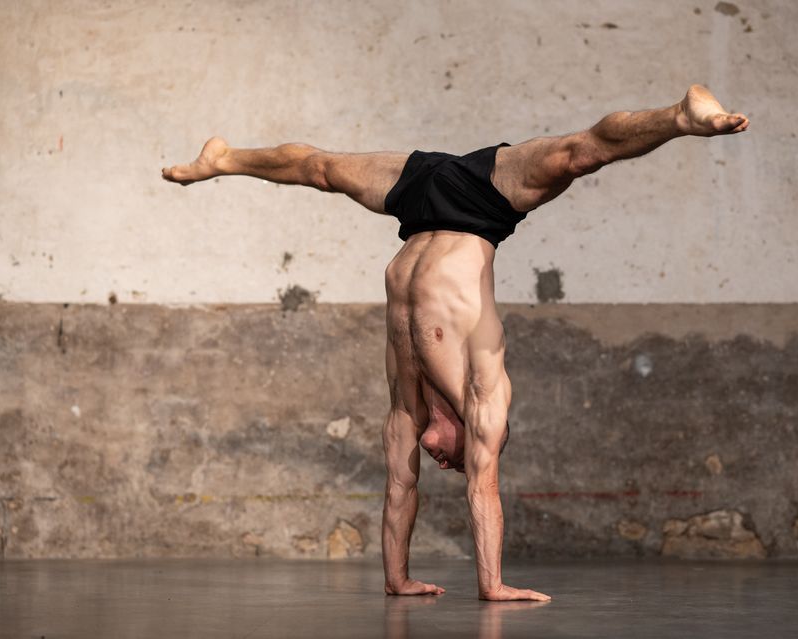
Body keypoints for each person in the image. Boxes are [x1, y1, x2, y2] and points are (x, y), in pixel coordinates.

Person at [162, 85, 749, 601]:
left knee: (321, 170)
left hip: (419, 206)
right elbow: (484, 489)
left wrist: (398, 578)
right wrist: (491, 585)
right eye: (457, 457)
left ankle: (225, 159)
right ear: (477, 437)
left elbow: (398, 486)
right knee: (578, 154)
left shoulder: (406, 407)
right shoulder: (484, 396)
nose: (446, 461)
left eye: (445, 460)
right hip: (483, 200)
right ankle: (681, 115)